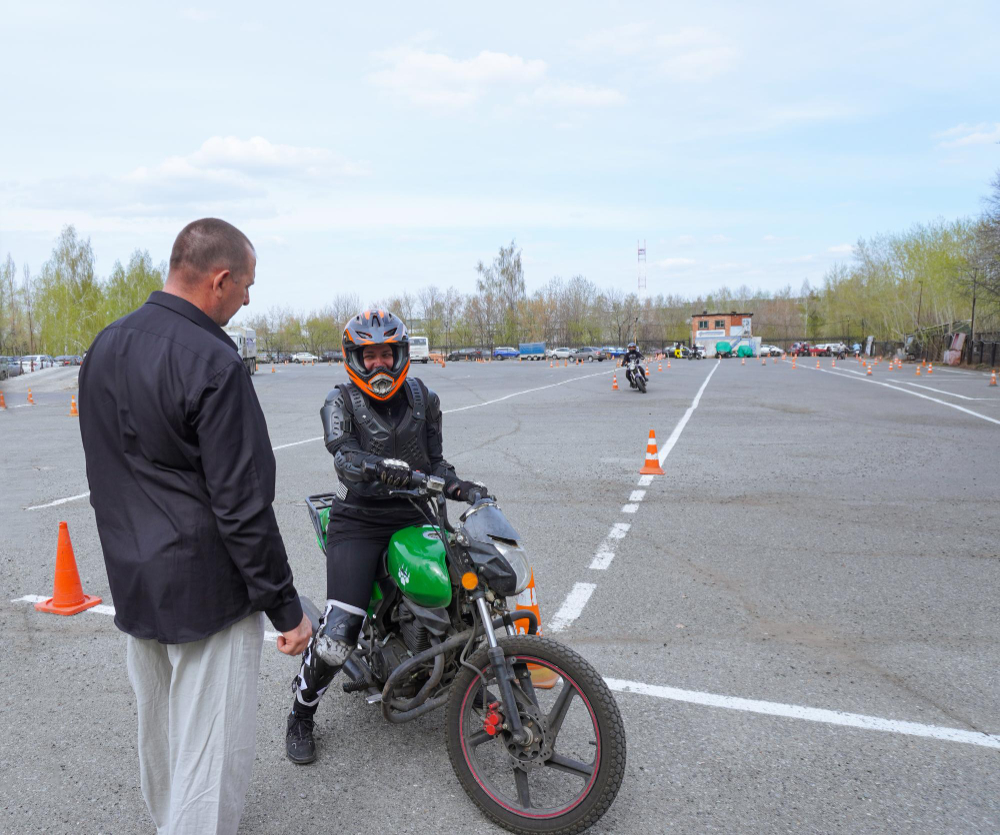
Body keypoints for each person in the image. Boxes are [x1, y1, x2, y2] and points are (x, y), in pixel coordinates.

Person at [78, 218, 312, 835]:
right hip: (208, 589)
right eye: (247, 286)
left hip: (135, 576)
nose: (248, 299)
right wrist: (285, 608)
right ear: (220, 279)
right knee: (209, 751)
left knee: (160, 733)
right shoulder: (214, 360)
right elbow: (241, 503)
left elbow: (106, 469)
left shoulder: (106, 344)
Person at [285, 309, 486, 764]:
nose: (379, 364)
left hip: (416, 512)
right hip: (360, 519)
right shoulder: (339, 401)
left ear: (401, 355)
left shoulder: (424, 398)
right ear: (354, 357)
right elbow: (344, 457)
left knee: (468, 594)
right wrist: (373, 467)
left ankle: (471, 671)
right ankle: (301, 713)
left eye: (386, 354)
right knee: (339, 632)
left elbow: (436, 463)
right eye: (369, 355)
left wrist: (460, 486)